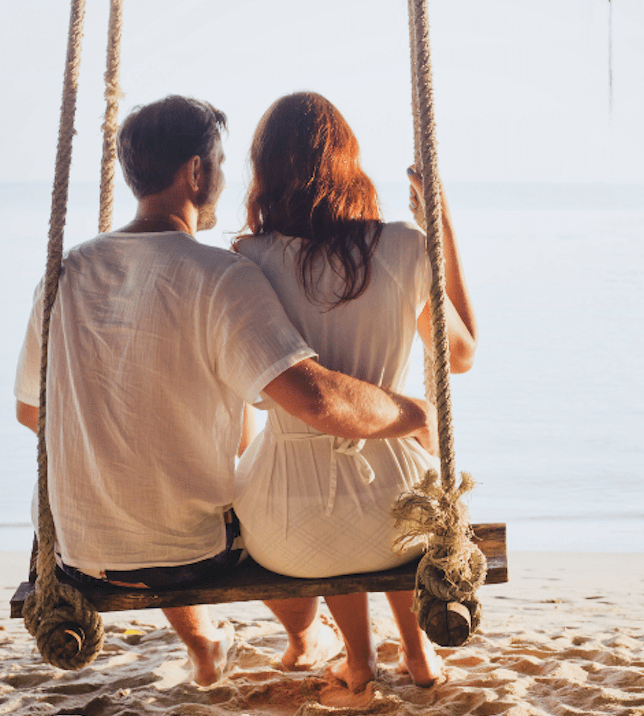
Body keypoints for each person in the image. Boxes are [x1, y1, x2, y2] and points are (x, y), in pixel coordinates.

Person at [13, 95, 438, 686]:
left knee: (186, 492)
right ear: (195, 172)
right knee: (246, 507)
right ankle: (305, 635)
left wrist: (119, 453)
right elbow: (316, 400)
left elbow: (30, 412)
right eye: (217, 161)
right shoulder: (220, 276)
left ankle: (213, 645)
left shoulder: (65, 271)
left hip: (77, 555)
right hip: (189, 559)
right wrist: (412, 411)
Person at [232, 92, 477, 692]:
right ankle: (419, 659)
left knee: (330, 516)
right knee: (396, 509)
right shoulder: (402, 247)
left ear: (263, 172)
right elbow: (462, 354)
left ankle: (360, 662)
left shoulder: (248, 260)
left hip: (289, 529)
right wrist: (438, 228)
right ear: (349, 161)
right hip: (399, 508)